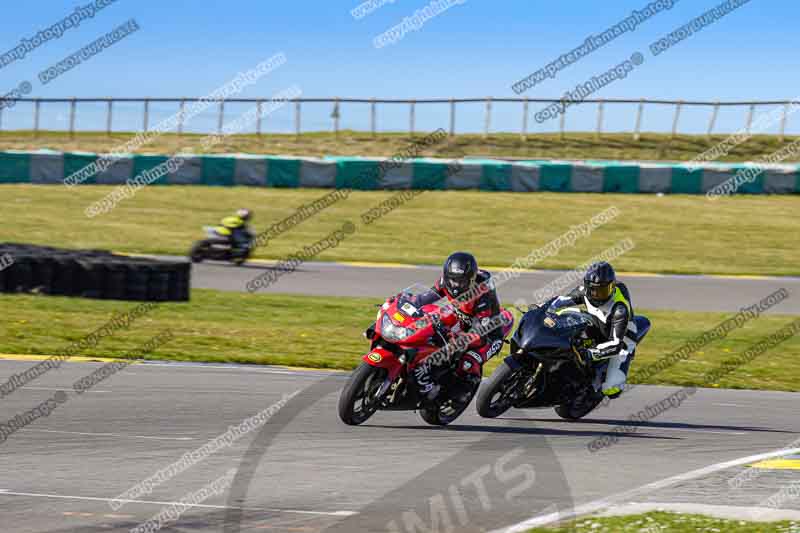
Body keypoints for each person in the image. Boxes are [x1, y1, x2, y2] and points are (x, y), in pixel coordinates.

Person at [414, 252, 507, 400]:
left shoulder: (483, 294)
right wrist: (408, 303)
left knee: (469, 361)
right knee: (430, 328)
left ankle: (463, 391)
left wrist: (459, 337)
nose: (456, 285)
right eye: (453, 280)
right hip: (462, 317)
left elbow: (481, 332)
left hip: (488, 332)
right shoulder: (446, 281)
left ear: (471, 280)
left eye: (461, 281)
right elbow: (425, 298)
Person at [549, 261, 637, 398]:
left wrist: (590, 354)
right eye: (593, 290)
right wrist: (541, 307)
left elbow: (616, 344)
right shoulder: (584, 291)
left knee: (612, 389)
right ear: (587, 286)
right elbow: (559, 301)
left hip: (621, 337)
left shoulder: (619, 309)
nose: (596, 295)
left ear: (612, 287)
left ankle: (592, 390)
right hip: (597, 321)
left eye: (603, 291)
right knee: (563, 314)